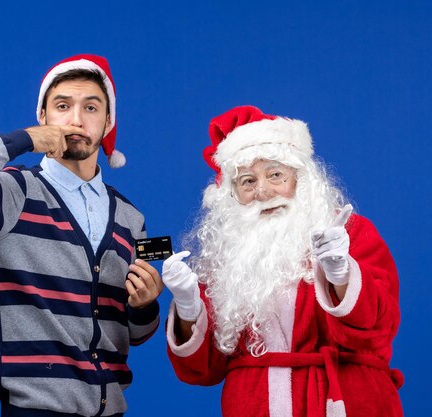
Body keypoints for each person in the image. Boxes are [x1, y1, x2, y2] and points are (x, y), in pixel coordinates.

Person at [0, 54, 163, 417]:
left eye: (91, 107)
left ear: (108, 121)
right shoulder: (14, 192)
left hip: (112, 409)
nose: (76, 119)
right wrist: (23, 140)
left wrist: (144, 303)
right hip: (35, 409)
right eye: (63, 106)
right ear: (44, 117)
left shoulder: (131, 218)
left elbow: (138, 334)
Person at [162, 106, 403, 417]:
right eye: (247, 181)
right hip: (253, 405)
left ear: (300, 178)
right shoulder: (227, 255)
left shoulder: (350, 234)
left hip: (345, 401)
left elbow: (378, 331)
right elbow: (202, 370)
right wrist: (187, 308)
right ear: (232, 193)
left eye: (275, 174)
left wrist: (341, 276)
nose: (262, 191)